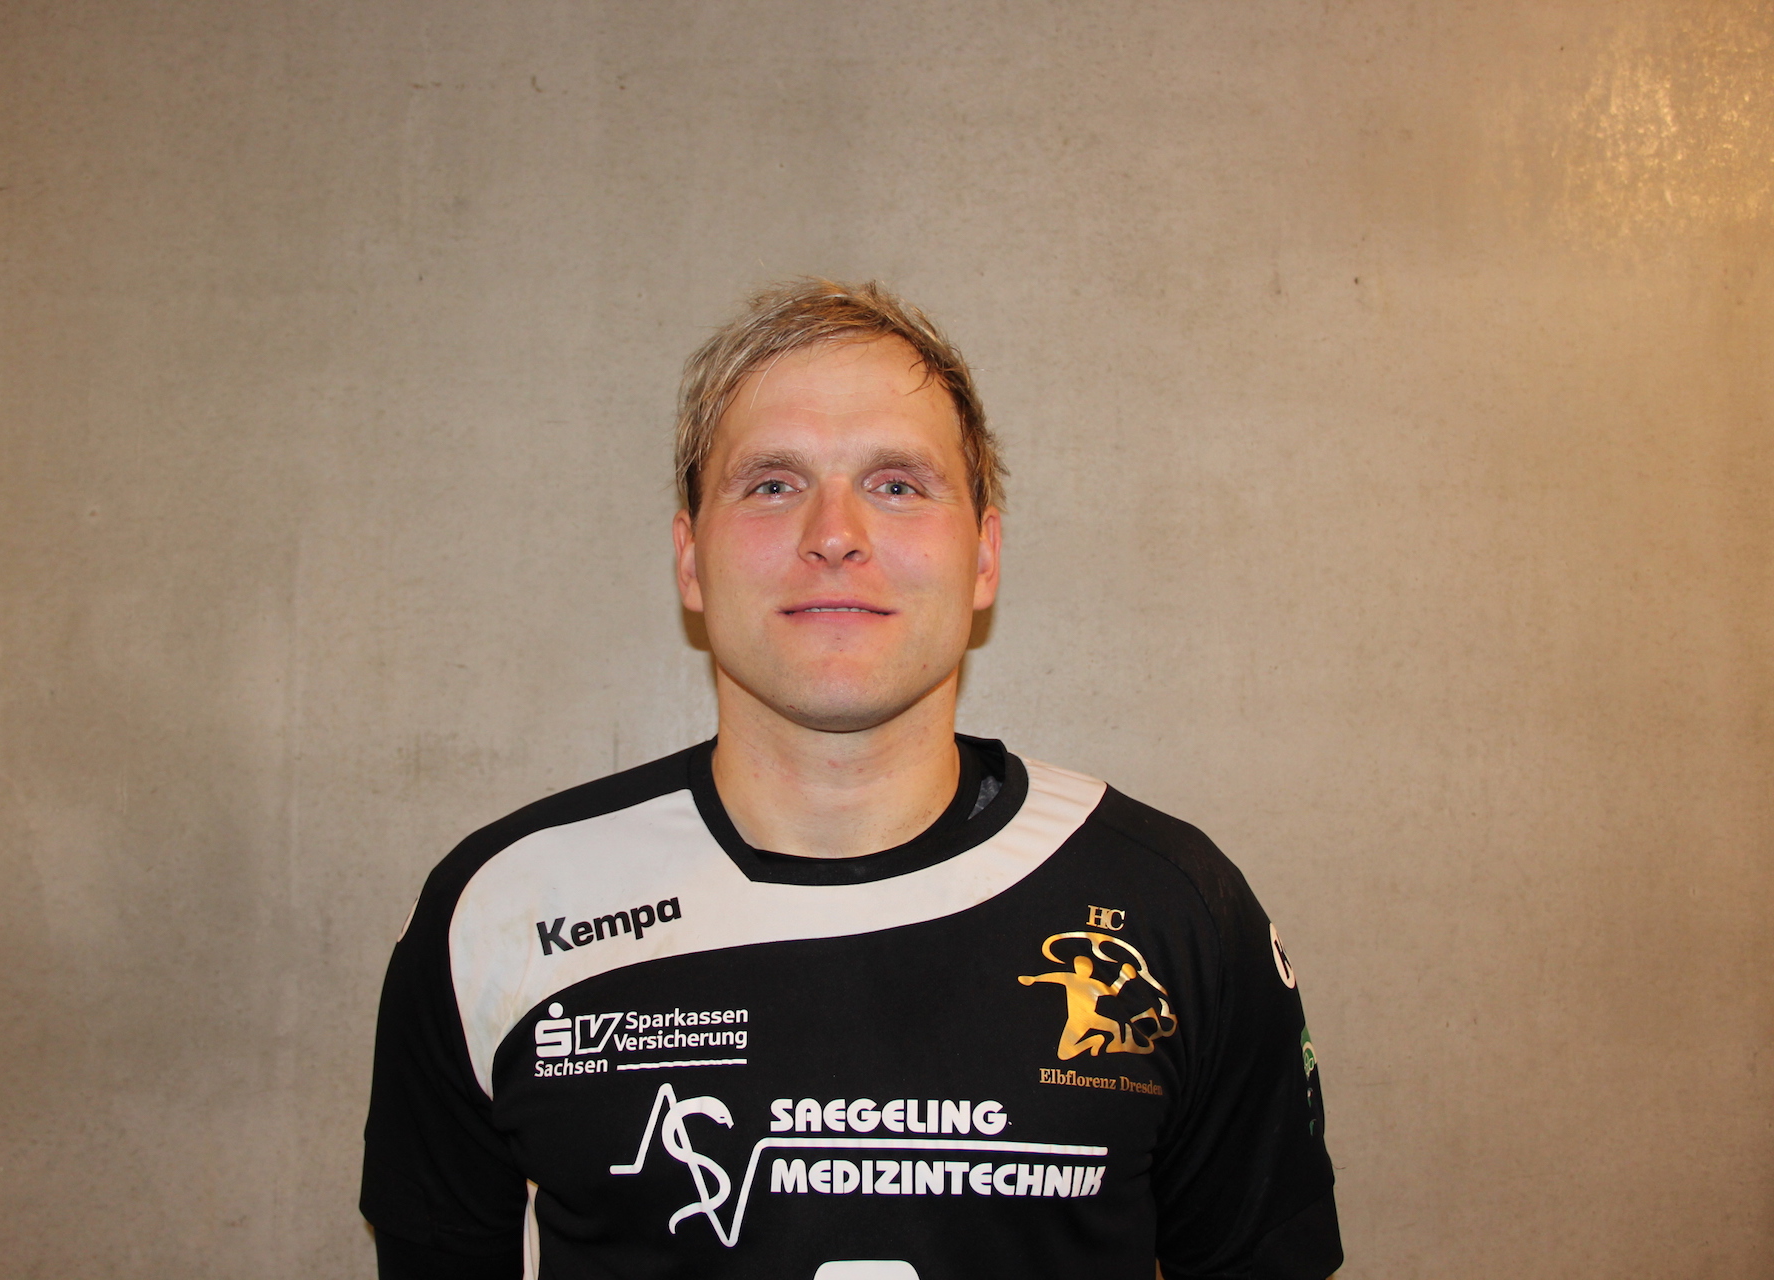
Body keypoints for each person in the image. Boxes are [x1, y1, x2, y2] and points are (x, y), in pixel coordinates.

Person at [360, 279, 1343, 1279]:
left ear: (984, 556)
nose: (834, 533)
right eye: (772, 484)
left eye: (898, 484)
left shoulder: (1176, 912)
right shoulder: (503, 911)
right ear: (690, 560)